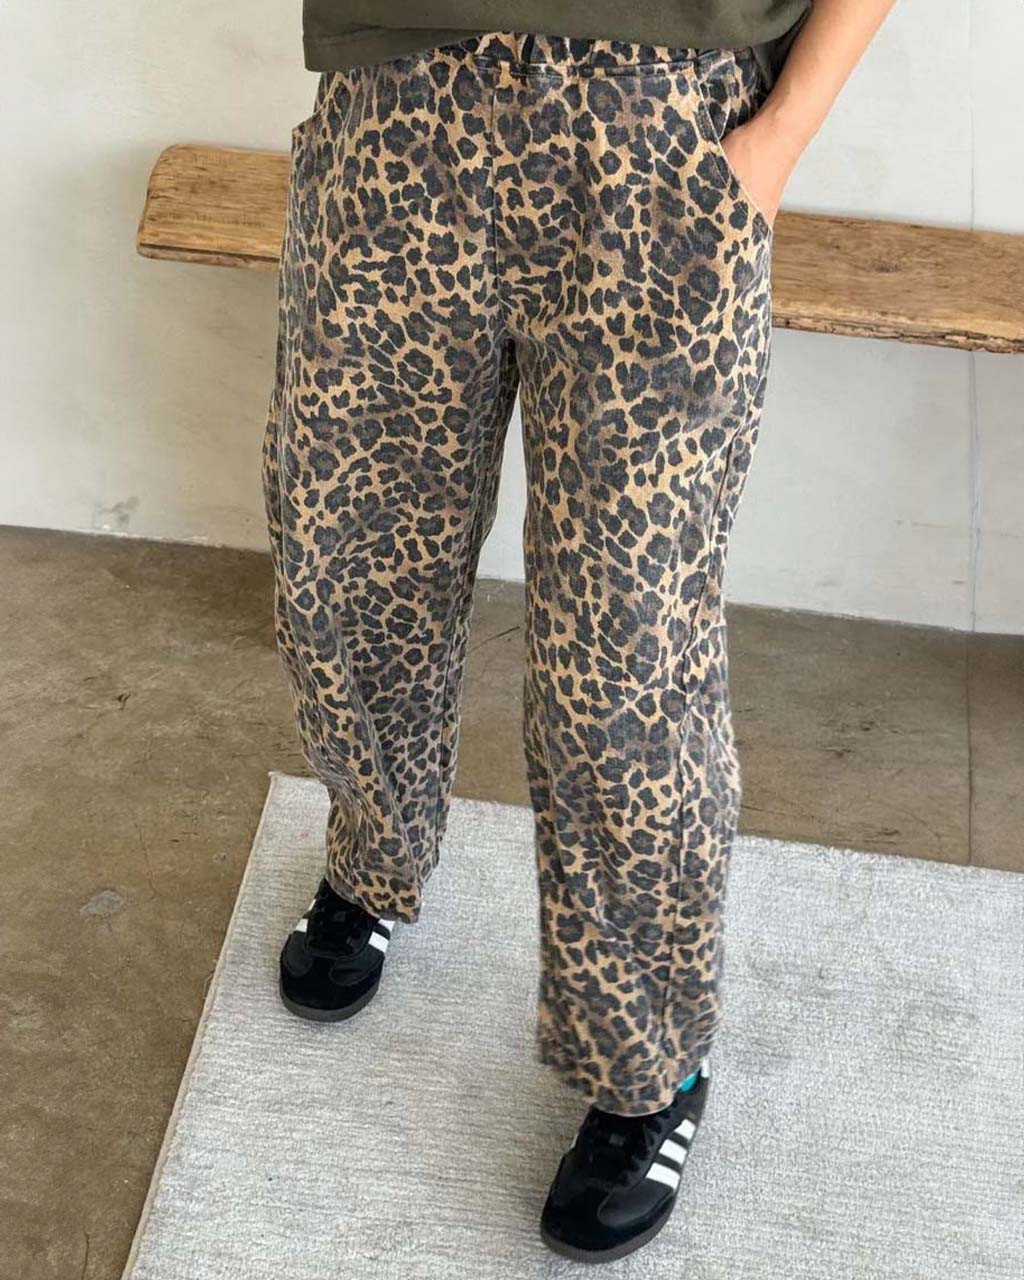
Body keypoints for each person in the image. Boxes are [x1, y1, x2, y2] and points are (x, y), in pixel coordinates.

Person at [264, 0, 896, 1262]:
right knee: (351, 563)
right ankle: (374, 855)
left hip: (659, 137)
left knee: (625, 655)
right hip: (398, 106)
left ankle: (647, 1063)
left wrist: (771, 145)